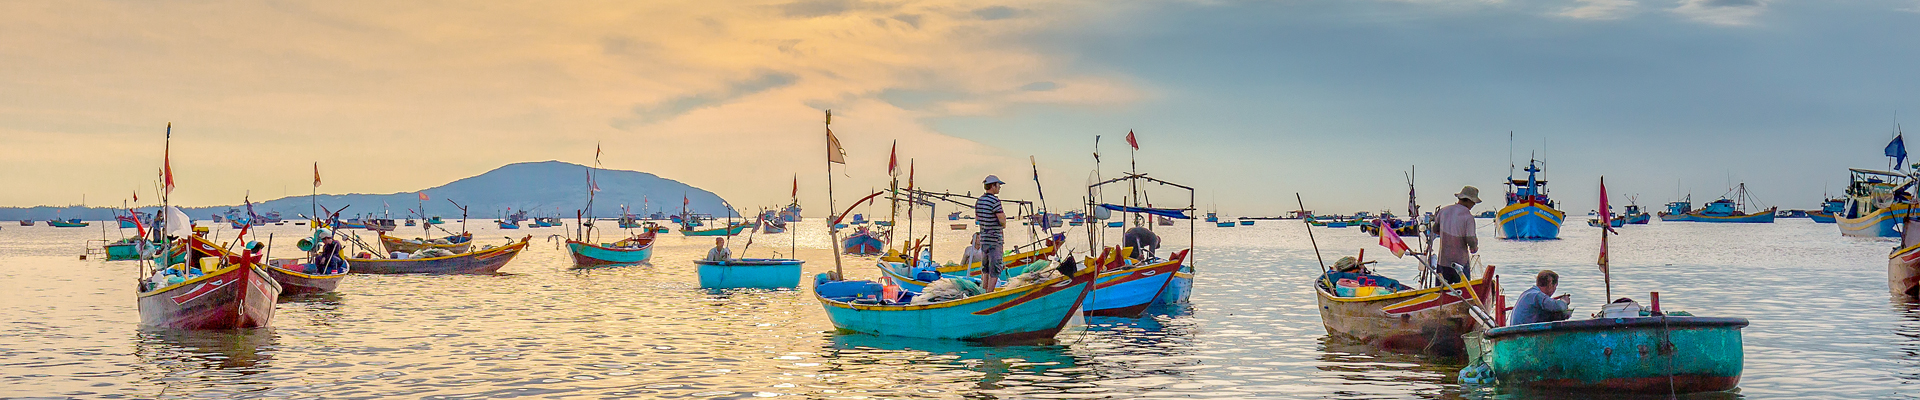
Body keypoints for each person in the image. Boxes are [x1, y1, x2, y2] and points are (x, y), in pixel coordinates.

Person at [1433, 186, 1481, 283]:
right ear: (1469, 201)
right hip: (1460, 264)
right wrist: (1474, 247)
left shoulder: (1443, 211)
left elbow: (1435, 229)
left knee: (1442, 291)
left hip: (1443, 261)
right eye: (1473, 202)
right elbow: (1470, 239)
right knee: (1463, 292)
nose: (1473, 205)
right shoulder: (1468, 217)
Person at [975, 175, 1008, 290]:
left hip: (984, 240)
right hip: (995, 240)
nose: (999, 188)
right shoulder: (995, 201)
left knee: (985, 268)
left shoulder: (979, 201)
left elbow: (977, 219)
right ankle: (990, 293)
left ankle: (984, 291)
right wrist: (1003, 223)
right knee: (995, 268)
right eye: (998, 185)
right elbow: (1002, 220)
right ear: (993, 186)